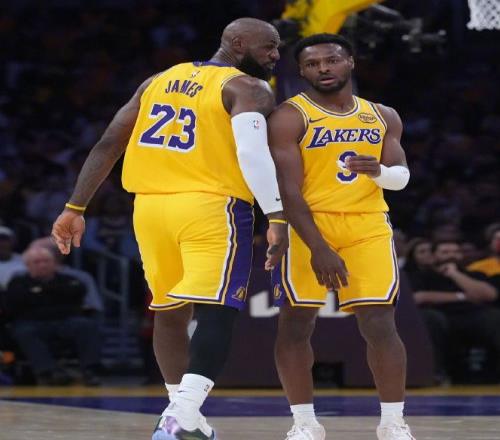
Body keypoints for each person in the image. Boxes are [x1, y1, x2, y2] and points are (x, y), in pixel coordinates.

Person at [51, 17, 286, 440]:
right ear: (237, 43)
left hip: (150, 209)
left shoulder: (157, 80)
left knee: (169, 311)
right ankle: (180, 415)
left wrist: (75, 206)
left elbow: (109, 142)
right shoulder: (248, 88)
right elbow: (252, 155)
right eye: (268, 46)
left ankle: (185, 418)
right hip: (211, 206)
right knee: (218, 311)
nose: (275, 55)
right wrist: (277, 215)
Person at [268, 34, 413, 440]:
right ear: (302, 72)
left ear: (350, 61)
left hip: (367, 224)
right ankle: (304, 423)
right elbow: (288, 191)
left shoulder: (382, 115)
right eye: (313, 64)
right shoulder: (289, 116)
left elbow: (401, 177)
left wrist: (378, 172)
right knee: (296, 323)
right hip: (308, 224)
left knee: (380, 323)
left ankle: (393, 423)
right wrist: (319, 248)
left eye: (331, 60)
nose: (324, 69)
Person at [4, 247, 101, 385]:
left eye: (46, 261)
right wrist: (54, 297)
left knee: (86, 326)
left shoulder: (70, 280)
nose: (42, 265)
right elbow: (16, 304)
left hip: (65, 321)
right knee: (24, 332)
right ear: (28, 266)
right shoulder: (17, 283)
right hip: (32, 323)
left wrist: (39, 296)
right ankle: (48, 372)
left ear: (55, 263)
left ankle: (90, 371)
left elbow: (75, 300)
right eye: (37, 262)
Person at [411, 240, 500, 382]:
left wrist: (454, 274)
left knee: (495, 317)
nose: (451, 255)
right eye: (445, 252)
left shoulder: (475, 274)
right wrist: (462, 296)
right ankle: (436, 374)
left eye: (456, 252)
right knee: (431, 319)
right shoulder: (423, 276)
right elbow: (419, 297)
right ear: (433, 256)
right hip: (441, 316)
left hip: (473, 316)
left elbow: (489, 295)